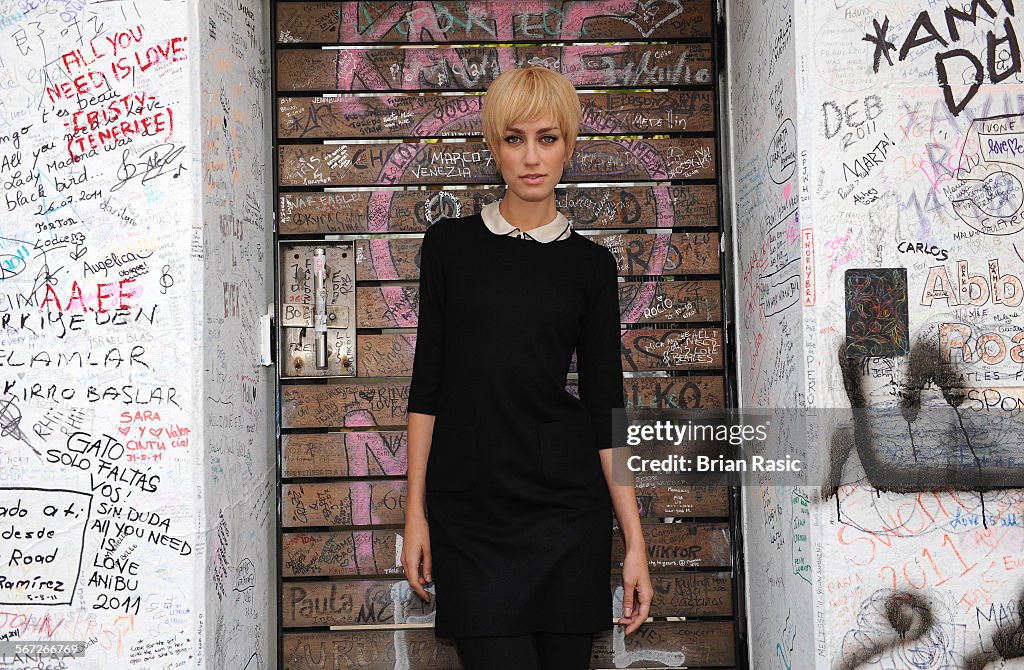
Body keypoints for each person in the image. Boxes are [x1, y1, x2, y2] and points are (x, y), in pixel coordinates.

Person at [402, 66, 653, 670]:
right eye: (515, 139)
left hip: (566, 515)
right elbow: (426, 386)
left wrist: (635, 542)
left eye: (548, 138)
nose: (532, 157)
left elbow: (604, 408)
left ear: (569, 145)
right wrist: (415, 513)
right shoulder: (449, 247)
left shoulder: (591, 266)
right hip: (471, 513)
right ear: (494, 147)